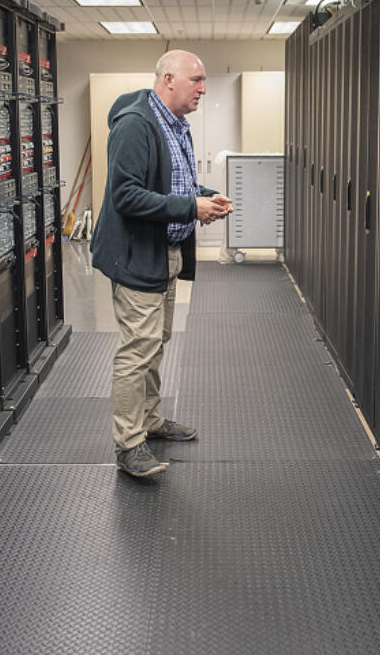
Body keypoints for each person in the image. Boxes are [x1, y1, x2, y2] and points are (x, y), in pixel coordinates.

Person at [90, 50, 233, 477]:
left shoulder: (175, 125)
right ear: (168, 79)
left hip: (165, 254)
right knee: (137, 350)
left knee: (156, 340)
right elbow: (127, 196)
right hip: (137, 255)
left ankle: (149, 421)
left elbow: (173, 182)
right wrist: (192, 207)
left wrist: (203, 194)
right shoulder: (136, 124)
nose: (203, 89)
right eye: (197, 80)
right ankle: (128, 444)